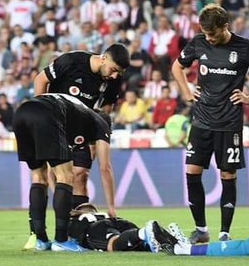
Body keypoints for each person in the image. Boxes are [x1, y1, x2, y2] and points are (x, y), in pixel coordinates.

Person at [171, 4, 249, 244]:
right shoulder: (198, 43)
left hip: (229, 122)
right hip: (201, 120)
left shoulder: (244, 47)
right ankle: (201, 229)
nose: (209, 38)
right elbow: (177, 66)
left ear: (225, 27)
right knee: (192, 171)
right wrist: (186, 91)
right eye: (205, 34)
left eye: (213, 34)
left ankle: (224, 233)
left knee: (227, 174)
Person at [23, 43, 129, 250]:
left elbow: (106, 108)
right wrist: (41, 115)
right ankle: (37, 234)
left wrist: (96, 135)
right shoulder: (72, 61)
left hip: (81, 128)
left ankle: (73, 231)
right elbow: (41, 80)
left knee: (80, 175)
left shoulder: (112, 80)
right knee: (46, 176)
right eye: (114, 70)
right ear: (104, 59)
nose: (115, 76)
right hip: (54, 124)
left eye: (120, 72)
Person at [13, 93, 116, 252]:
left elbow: (50, 168)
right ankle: (62, 240)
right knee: (67, 176)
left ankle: (40, 240)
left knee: (38, 177)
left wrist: (60, 195)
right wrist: (111, 208)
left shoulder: (75, 118)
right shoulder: (101, 123)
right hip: (46, 112)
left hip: (21, 113)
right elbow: (105, 168)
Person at [68, 203, 178, 253]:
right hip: (118, 221)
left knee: (113, 245)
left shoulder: (78, 221)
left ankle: (143, 232)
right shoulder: (101, 215)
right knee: (137, 244)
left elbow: (66, 243)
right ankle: (169, 240)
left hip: (96, 229)